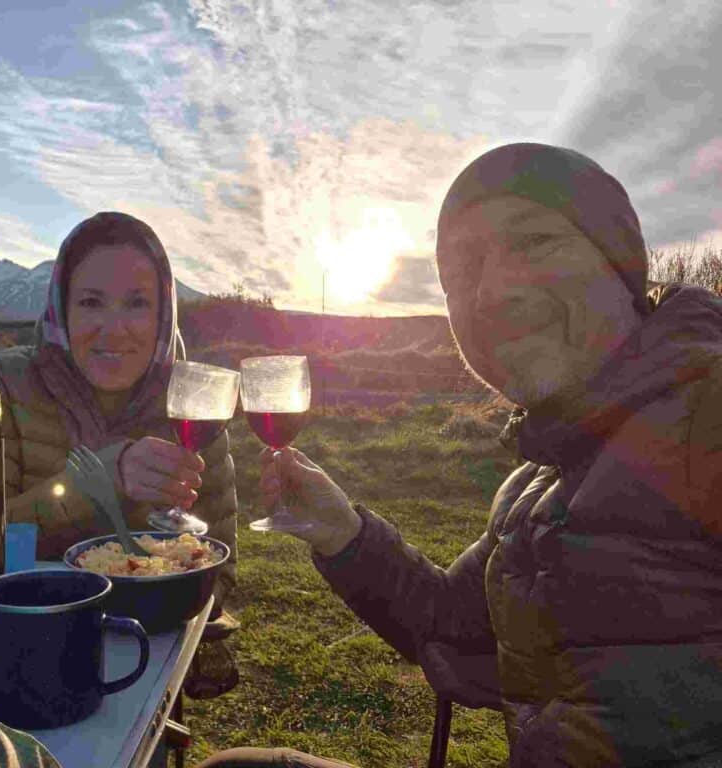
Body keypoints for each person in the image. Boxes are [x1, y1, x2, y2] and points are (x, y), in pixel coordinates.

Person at [197, 143, 722, 767]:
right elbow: (449, 622)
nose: (493, 292)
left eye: (534, 242)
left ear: (622, 263)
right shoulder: (539, 479)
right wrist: (342, 532)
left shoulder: (706, 413)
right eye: (461, 271)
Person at [0, 212, 241, 661]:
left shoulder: (193, 407)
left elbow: (221, 574)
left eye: (137, 303)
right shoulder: (2, 387)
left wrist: (176, 568)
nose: (113, 328)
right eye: (91, 302)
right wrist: (98, 479)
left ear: (164, 314)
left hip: (149, 659)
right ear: (62, 307)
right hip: (19, 650)